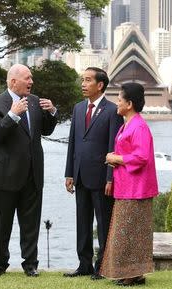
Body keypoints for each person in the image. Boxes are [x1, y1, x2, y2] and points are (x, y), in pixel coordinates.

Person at [0, 63, 58, 277]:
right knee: (3, 223)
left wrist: (52, 112)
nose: (31, 82)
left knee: (31, 223)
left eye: (31, 78)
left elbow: (46, 130)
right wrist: (13, 115)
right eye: (27, 78)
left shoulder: (35, 102)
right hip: (5, 175)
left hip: (33, 174)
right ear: (13, 81)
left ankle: (30, 264)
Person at [64, 67, 124, 280]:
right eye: (83, 80)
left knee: (103, 223)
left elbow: (113, 146)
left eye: (88, 80)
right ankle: (84, 264)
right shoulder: (78, 108)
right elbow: (73, 143)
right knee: (83, 222)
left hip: (101, 179)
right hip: (79, 176)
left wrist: (110, 177)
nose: (83, 84)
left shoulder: (112, 111)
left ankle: (103, 265)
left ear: (100, 85)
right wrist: (69, 173)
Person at [101, 82, 159, 286]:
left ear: (129, 103)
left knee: (130, 231)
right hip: (127, 186)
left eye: (119, 99)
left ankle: (133, 274)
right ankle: (134, 273)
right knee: (129, 230)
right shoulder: (128, 123)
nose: (116, 103)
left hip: (137, 188)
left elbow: (141, 156)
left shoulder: (139, 126)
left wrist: (115, 159)